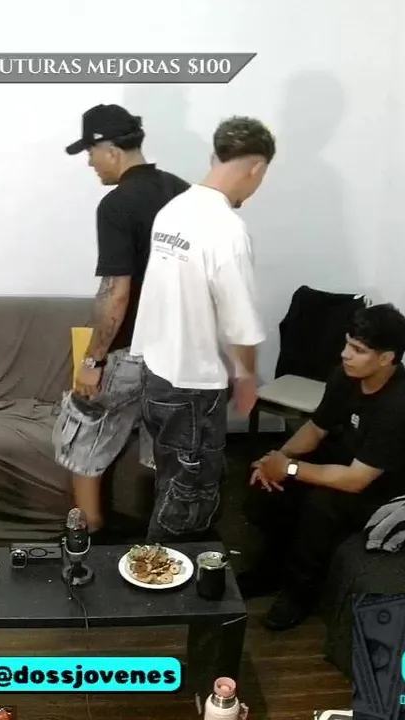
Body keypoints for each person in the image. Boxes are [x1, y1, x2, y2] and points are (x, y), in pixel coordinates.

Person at [128, 116, 275, 543]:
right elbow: (240, 322)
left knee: (173, 481)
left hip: (155, 374)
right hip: (192, 387)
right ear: (257, 167)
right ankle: (153, 575)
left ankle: (176, 568)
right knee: (188, 499)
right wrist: (246, 377)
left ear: (215, 157)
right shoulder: (227, 229)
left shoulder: (173, 211)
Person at [238, 303, 405, 631]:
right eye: (347, 344)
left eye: (358, 350)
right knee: (267, 482)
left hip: (382, 487)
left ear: (387, 358)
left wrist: (290, 468)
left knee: (321, 504)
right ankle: (270, 568)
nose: (345, 354)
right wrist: (277, 458)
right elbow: (316, 428)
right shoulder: (346, 375)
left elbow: (356, 480)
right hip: (346, 461)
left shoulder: (401, 407)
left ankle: (299, 593)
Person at [53, 104, 190, 535]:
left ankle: (87, 534)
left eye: (90, 153)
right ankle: (158, 543)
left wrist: (93, 361)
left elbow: (116, 293)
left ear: (110, 149)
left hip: (132, 350)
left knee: (82, 428)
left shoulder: (116, 204)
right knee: (163, 448)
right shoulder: (183, 193)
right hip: (180, 352)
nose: (90, 164)